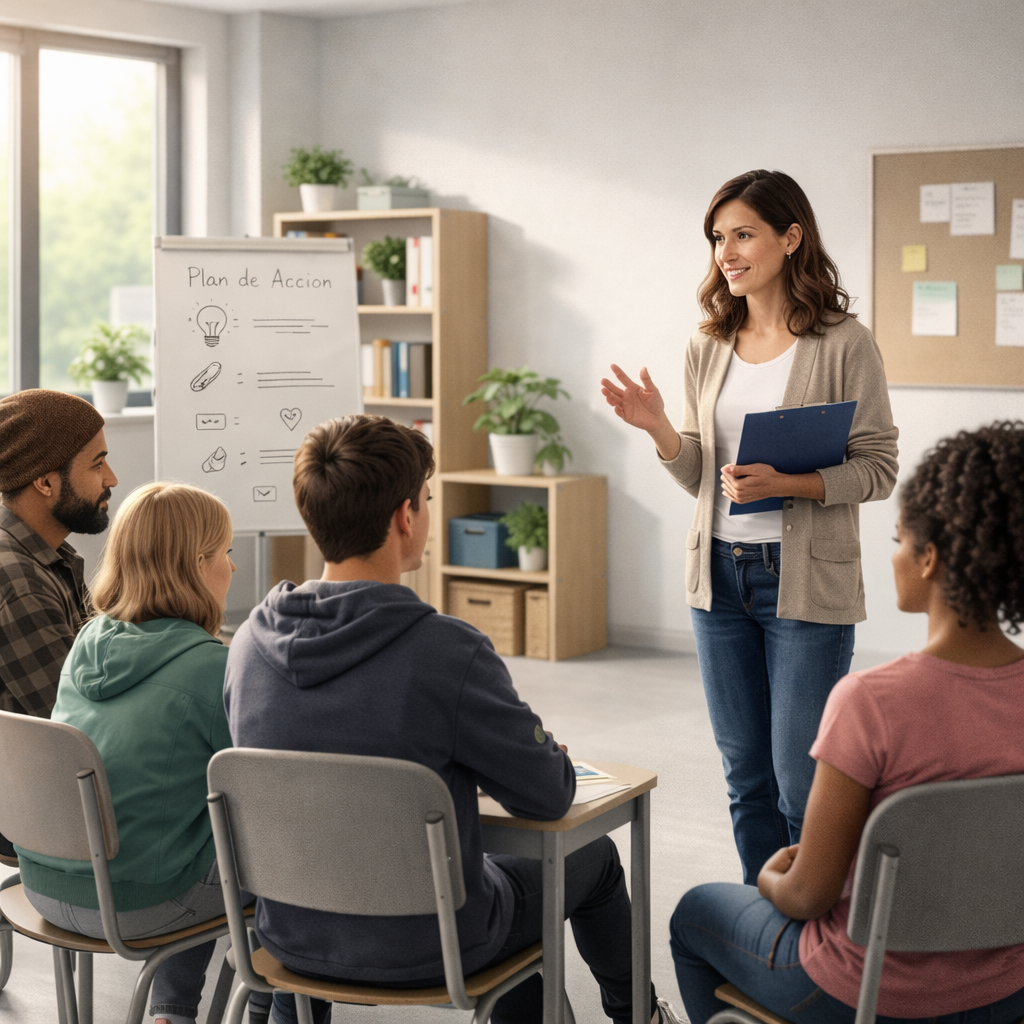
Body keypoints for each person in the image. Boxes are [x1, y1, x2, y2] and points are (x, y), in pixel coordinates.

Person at [224, 414, 683, 1024]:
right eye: (430, 500)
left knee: (498, 882)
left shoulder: (247, 644)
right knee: (589, 860)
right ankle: (642, 1018)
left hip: (289, 936)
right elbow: (548, 797)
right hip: (431, 944)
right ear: (404, 517)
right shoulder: (446, 652)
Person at [669, 421, 1024, 1023]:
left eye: (899, 539)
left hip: (864, 993)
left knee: (693, 914)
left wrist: (771, 876)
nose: (894, 557)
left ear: (930, 559)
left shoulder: (872, 702)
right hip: (1004, 992)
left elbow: (809, 896)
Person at [601, 169, 899, 882]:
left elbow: (879, 469)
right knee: (746, 780)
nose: (725, 252)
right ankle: (761, 928)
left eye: (742, 234)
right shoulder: (709, 343)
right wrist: (659, 431)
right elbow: (701, 474)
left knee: (803, 787)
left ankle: (819, 942)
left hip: (805, 589)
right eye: (716, 238)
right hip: (719, 583)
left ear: (790, 237)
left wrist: (791, 484)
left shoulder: (843, 343)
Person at [16, 482, 271, 1024]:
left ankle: (170, 1013)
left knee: (187, 830)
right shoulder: (211, 667)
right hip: (138, 906)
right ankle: (271, 1005)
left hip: (44, 887)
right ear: (199, 564)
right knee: (264, 851)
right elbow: (259, 791)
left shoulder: (86, 643)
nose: (232, 565)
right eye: (226, 552)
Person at [0, 388, 118, 860]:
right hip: (30, 814)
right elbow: (78, 723)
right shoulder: (18, 581)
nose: (111, 478)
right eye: (97, 464)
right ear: (46, 483)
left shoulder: (49, 555)